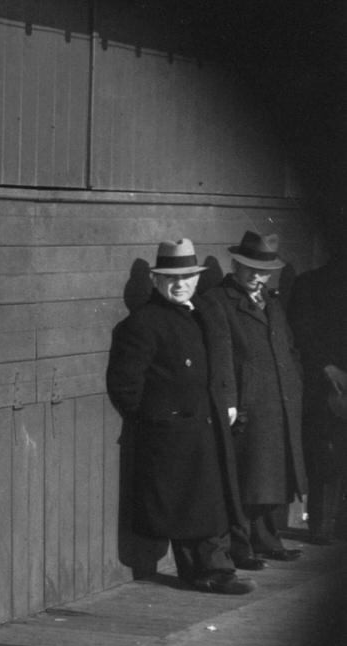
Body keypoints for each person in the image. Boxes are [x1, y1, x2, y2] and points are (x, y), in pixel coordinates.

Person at [107, 238, 251, 594]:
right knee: (188, 508)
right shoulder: (143, 323)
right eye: (171, 277)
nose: (179, 283)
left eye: (187, 276)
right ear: (157, 280)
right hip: (172, 435)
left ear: (197, 279)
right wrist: (162, 420)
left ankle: (216, 570)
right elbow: (125, 386)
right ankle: (206, 574)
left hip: (206, 428)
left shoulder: (202, 314)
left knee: (209, 505)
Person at [197, 231, 306, 566]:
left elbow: (287, 347)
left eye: (263, 270)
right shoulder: (218, 300)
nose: (256, 276)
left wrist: (296, 384)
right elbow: (220, 355)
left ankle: (268, 541)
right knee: (247, 478)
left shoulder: (271, 301)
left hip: (279, 401)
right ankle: (242, 549)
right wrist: (230, 401)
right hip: (248, 402)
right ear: (235, 264)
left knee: (273, 478)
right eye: (249, 268)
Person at [288, 245, 347, 543]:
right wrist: (328, 368)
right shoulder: (310, 284)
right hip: (326, 388)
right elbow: (302, 333)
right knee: (326, 458)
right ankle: (323, 527)